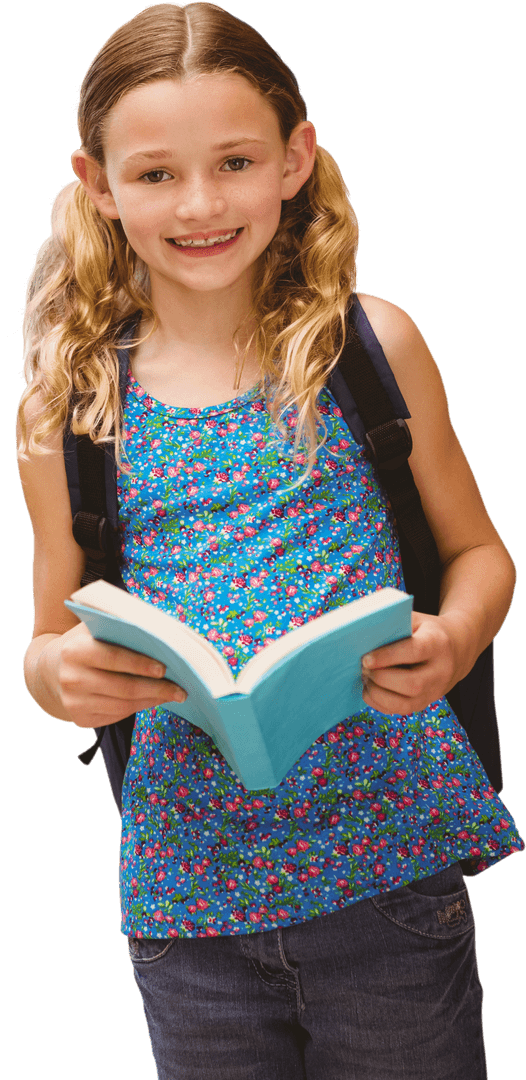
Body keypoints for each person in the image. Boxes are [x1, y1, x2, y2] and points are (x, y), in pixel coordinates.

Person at [15, 3, 524, 1078]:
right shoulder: (67, 407)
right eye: (155, 175)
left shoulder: (371, 347)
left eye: (235, 161)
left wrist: (456, 639)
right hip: (187, 905)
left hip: (389, 874)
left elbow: (480, 554)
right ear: (97, 183)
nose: (199, 204)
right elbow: (44, 649)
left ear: (295, 158)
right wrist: (71, 675)